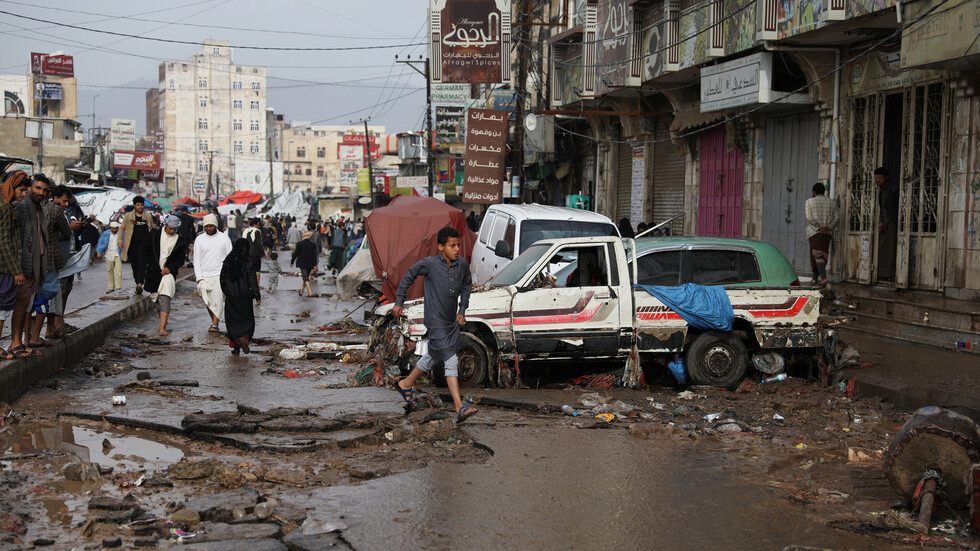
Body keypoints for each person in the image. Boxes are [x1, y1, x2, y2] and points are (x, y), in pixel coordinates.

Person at [391, 227, 476, 423]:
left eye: (458, 245)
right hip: (435, 319)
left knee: (434, 356)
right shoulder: (429, 264)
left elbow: (466, 286)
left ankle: (406, 382)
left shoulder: (462, 265)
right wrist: (399, 301)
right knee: (451, 359)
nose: (456, 249)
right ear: (440, 247)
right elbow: (408, 277)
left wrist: (462, 310)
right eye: (452, 246)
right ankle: (459, 407)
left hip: (450, 321)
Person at [8, 173, 50, 358]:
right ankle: (15, 342)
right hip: (23, 264)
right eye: (37, 188)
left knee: (26, 303)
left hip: (35, 264)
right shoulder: (21, 206)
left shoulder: (38, 208)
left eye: (44, 190)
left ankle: (22, 342)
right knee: (20, 303)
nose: (40, 192)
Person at [0, 171, 30, 359]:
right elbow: (4, 242)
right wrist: (16, 270)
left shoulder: (7, 206)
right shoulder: (4, 208)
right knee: (2, 307)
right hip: (4, 267)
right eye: (22, 189)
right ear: (12, 186)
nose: (24, 194)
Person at [142, 214, 188, 337]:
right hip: (153, 272)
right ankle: (163, 321)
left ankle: (162, 327)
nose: (172, 231)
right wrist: (147, 266)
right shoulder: (154, 235)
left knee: (165, 298)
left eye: (175, 229)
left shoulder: (180, 240)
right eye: (170, 228)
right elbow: (144, 251)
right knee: (156, 299)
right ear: (165, 225)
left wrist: (170, 268)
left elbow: (180, 259)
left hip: (168, 274)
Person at [220, 238, 261, 355]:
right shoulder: (248, 262)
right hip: (245, 297)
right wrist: (257, 295)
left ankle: (236, 346)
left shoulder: (228, 260)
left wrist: (226, 291)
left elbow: (222, 278)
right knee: (247, 321)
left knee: (232, 322)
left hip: (231, 297)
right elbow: (252, 279)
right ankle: (245, 338)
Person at [194, 214, 232, 333]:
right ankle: (214, 321)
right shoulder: (199, 239)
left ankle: (215, 324)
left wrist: (229, 275)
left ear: (215, 225)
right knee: (208, 302)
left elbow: (230, 257)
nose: (209, 228)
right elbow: (197, 259)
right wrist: (199, 277)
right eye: (207, 226)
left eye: (211, 226)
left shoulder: (224, 238)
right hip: (204, 275)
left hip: (220, 275)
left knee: (218, 299)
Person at [120, 196, 156, 295]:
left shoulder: (147, 216)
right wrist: (119, 240)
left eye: (141, 205)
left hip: (144, 246)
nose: (140, 207)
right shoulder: (129, 216)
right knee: (134, 265)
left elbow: (152, 229)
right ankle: (138, 282)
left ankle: (140, 284)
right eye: (138, 205)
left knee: (142, 264)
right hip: (132, 246)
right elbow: (122, 228)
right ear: (135, 205)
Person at [805, 182, 839, 287]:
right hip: (826, 233)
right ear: (824, 192)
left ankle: (823, 279)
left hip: (814, 232)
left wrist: (819, 227)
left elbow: (809, 218)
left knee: (817, 255)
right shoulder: (832, 203)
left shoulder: (809, 202)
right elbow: (836, 218)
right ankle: (814, 278)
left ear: (814, 192)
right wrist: (827, 227)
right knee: (822, 255)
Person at [875, 167, 899, 282]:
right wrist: (880, 221)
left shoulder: (894, 189)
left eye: (880, 178)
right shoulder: (881, 191)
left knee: (891, 248)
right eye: (877, 178)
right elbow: (882, 207)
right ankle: (882, 273)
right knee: (882, 248)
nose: (878, 180)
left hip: (892, 221)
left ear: (886, 177)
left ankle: (891, 274)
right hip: (884, 222)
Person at [96, 221, 123, 293]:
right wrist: (99, 251)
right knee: (109, 270)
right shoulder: (106, 234)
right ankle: (111, 287)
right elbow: (101, 242)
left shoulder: (121, 234)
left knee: (118, 271)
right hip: (109, 253)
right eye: (113, 229)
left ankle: (118, 287)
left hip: (118, 253)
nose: (114, 230)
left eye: (115, 229)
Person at [291, 231, 318, 297]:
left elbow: (295, 254)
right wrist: (315, 265)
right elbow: (314, 256)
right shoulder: (313, 245)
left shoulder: (299, 244)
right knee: (306, 277)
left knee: (305, 278)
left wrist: (292, 262)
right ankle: (307, 291)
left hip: (302, 263)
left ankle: (305, 291)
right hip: (310, 263)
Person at [243, 218, 265, 286]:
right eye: (258, 225)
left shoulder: (246, 231)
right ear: (255, 225)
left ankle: (248, 284)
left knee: (248, 270)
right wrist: (262, 254)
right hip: (255, 255)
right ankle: (257, 285)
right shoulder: (257, 231)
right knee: (257, 271)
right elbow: (258, 244)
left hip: (247, 255)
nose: (259, 227)